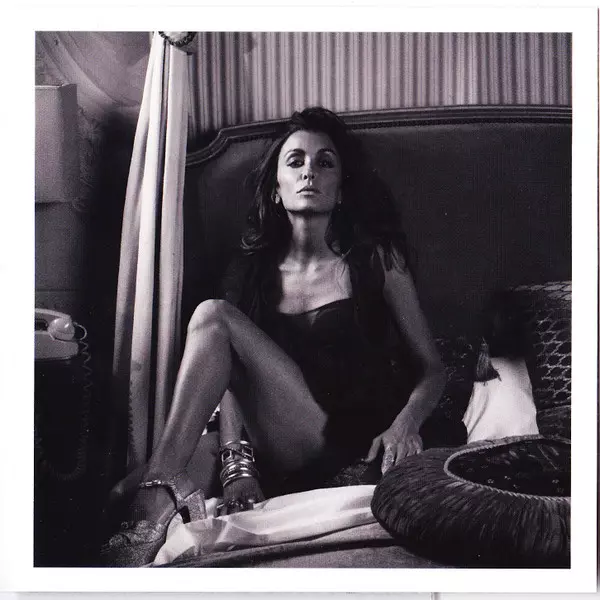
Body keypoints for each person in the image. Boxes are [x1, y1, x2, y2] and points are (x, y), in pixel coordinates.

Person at [102, 107, 454, 567]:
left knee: (212, 316)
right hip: (270, 439)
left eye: (325, 162)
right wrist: (237, 467)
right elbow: (230, 378)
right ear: (276, 187)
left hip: (344, 438)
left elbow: (432, 369)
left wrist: (406, 423)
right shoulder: (251, 269)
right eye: (296, 161)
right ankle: (157, 491)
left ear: (341, 188)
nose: (310, 171)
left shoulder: (376, 260)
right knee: (118, 495)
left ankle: (157, 496)